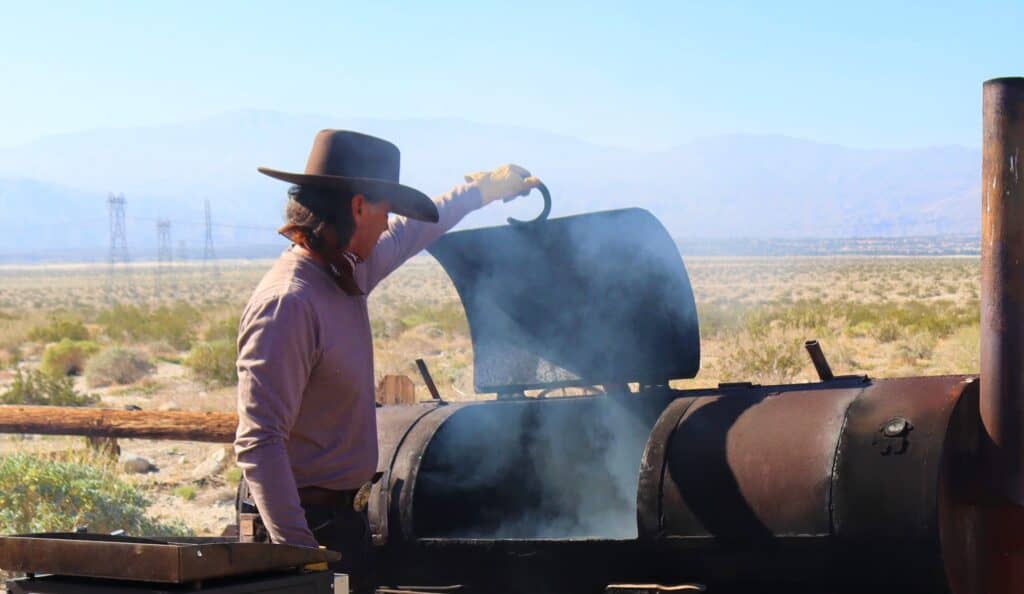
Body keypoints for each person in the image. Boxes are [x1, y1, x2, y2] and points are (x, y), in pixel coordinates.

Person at [233, 129, 539, 583]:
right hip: (303, 530)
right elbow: (260, 442)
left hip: (342, 524)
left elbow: (414, 231)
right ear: (358, 207)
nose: (386, 224)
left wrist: (480, 191)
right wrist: (301, 559)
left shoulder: (347, 270)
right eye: (384, 210)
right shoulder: (290, 303)